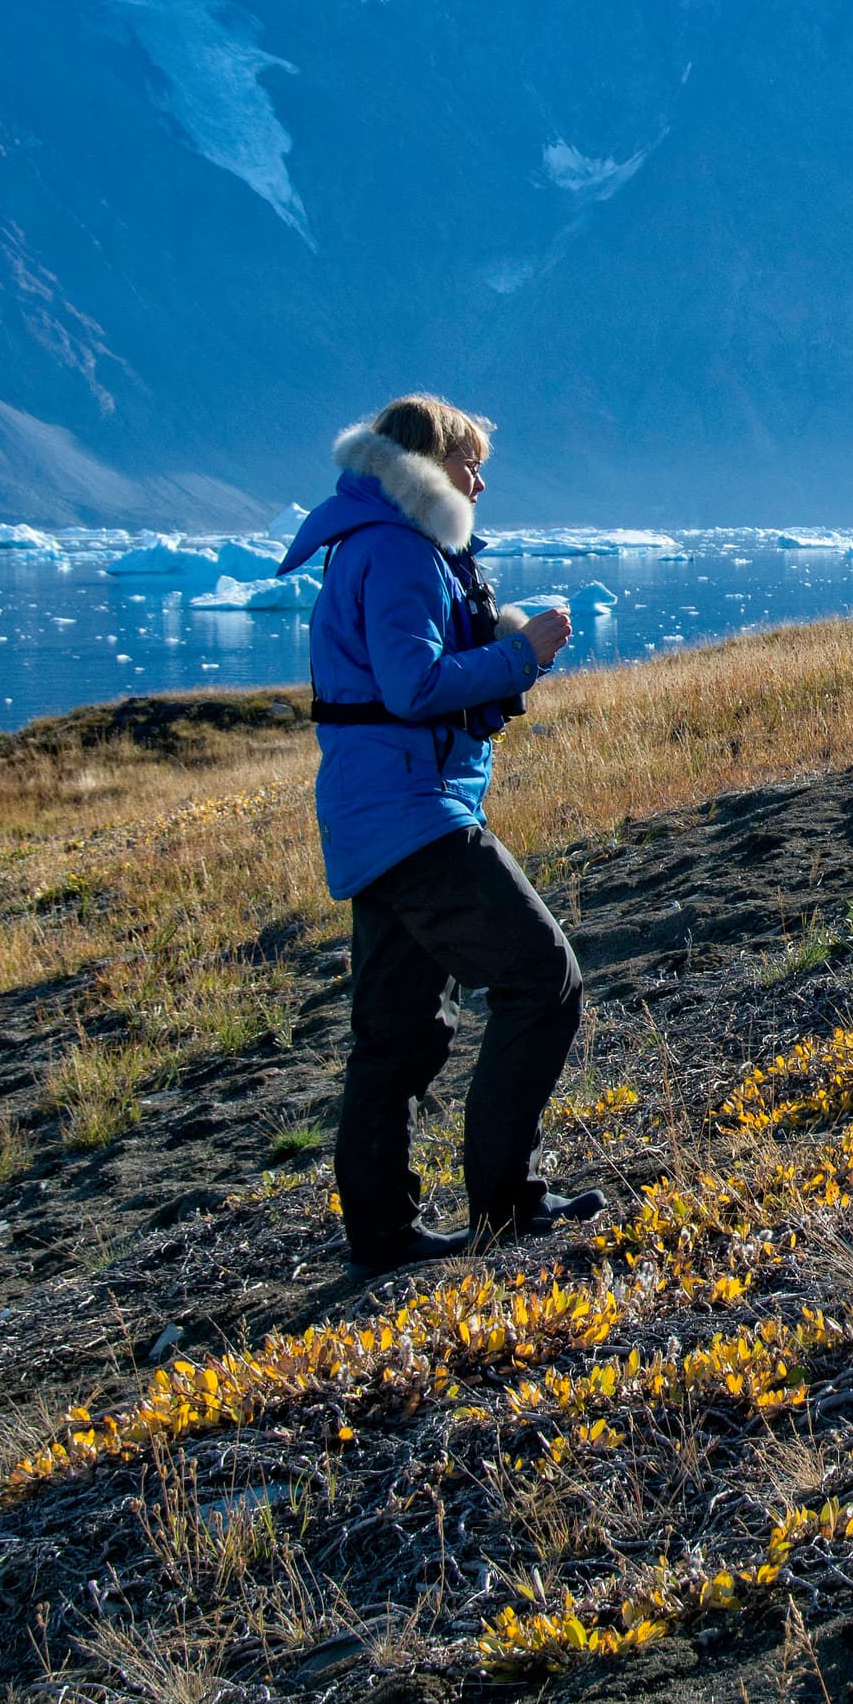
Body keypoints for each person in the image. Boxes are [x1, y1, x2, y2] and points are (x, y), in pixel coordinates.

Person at [274, 393, 600, 1274]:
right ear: (424, 465)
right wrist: (520, 652)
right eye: (468, 464)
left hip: (371, 816)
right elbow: (413, 688)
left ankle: (382, 1233)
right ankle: (506, 1198)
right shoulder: (402, 551)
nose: (480, 482)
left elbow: (391, 681)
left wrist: (493, 642)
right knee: (544, 979)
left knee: (400, 1034)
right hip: (415, 816)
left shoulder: (373, 542)